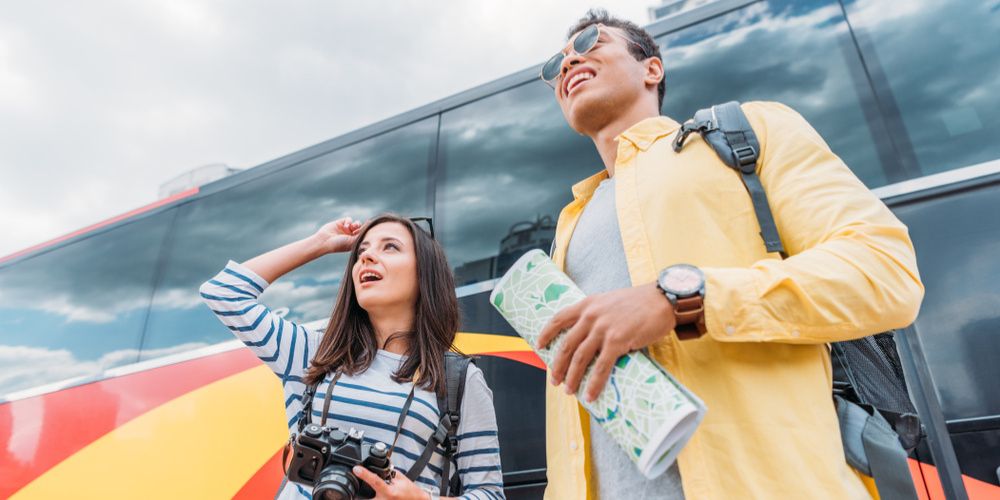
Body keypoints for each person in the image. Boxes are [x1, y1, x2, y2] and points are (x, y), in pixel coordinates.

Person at [532, 9, 924, 499]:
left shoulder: (748, 133)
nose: (569, 62)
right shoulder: (566, 232)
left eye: (590, 42)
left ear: (652, 69)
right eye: (556, 63)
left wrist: (682, 300)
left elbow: (884, 271)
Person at [200, 214, 505, 500]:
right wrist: (319, 244)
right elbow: (224, 292)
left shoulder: (458, 381)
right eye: (361, 252)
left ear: (426, 272)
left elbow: (490, 493)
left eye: (390, 247)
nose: (367, 257)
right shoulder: (312, 353)